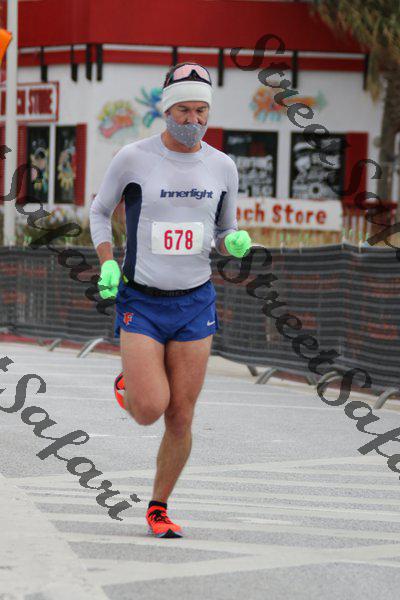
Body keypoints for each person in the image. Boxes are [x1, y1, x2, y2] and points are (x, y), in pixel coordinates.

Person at [89, 62, 252, 538]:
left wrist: (232, 242)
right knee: (148, 409)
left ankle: (158, 507)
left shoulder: (222, 166)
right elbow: (100, 211)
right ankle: (131, 384)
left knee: (181, 414)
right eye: (184, 110)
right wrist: (107, 261)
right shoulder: (133, 157)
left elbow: (223, 228)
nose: (193, 120)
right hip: (142, 300)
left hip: (195, 301)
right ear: (166, 110)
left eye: (202, 111)